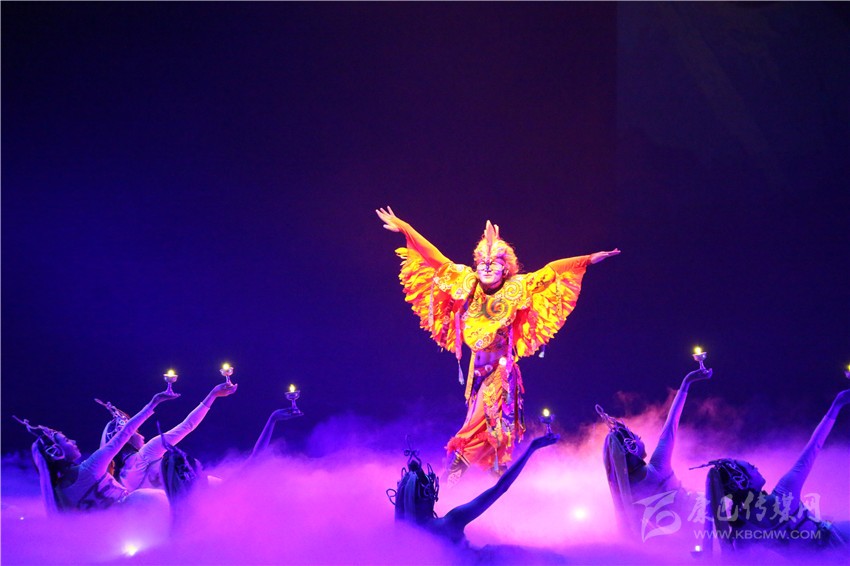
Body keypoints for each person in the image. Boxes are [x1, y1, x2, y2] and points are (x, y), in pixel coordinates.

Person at [377, 206, 618, 482]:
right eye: (482, 263)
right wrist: (406, 228)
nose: (487, 267)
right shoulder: (467, 282)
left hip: (500, 374)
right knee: (483, 429)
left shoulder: (517, 288)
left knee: (482, 428)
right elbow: (436, 259)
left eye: (494, 263)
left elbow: (551, 270)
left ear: (506, 267)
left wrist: (587, 259)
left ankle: (453, 479)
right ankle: (482, 478)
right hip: (476, 374)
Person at [703, 389, 850, 555]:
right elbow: (814, 446)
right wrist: (837, 405)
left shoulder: (741, 530)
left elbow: (736, 559)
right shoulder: (784, 492)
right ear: (742, 481)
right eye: (751, 467)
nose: (756, 468)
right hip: (839, 541)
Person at [14, 388, 179, 513]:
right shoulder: (90, 468)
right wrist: (153, 403)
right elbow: (124, 434)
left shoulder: (58, 495)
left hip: (114, 532)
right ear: (57, 453)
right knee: (149, 496)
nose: (73, 442)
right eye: (67, 440)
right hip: (137, 513)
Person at [597, 367, 712, 539]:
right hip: (702, 515)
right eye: (637, 437)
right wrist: (686, 383)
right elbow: (671, 425)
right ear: (631, 447)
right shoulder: (658, 466)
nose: (640, 438)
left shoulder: (627, 493)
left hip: (678, 536)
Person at [388, 433, 559, 544]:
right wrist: (531, 449)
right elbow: (501, 487)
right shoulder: (450, 522)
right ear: (428, 497)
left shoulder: (401, 538)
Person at [98, 381, 238, 491]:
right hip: (198, 497)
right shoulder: (147, 452)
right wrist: (213, 395)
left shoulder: (119, 480)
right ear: (127, 439)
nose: (142, 436)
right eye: (136, 432)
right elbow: (187, 425)